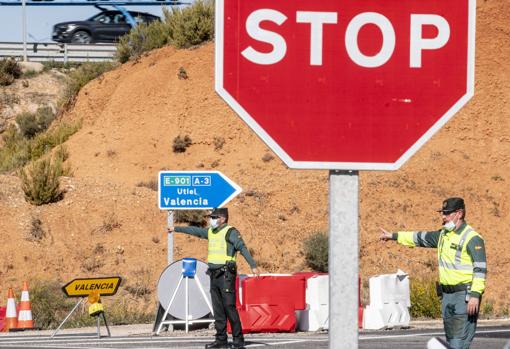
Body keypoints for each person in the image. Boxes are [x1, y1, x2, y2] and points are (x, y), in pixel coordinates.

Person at [380, 197, 486, 349]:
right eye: (443, 213)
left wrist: (475, 295)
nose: (443, 217)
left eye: (447, 213)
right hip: (447, 297)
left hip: (464, 297)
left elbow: (480, 269)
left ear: (459, 213)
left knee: (458, 343)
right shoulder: (444, 235)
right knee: (451, 342)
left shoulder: (472, 238)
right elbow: (419, 237)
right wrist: (394, 236)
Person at [168, 207, 260, 349]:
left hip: (226, 275)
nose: (212, 220)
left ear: (222, 219)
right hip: (214, 275)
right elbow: (195, 231)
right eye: (212, 217)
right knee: (218, 309)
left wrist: (253, 265)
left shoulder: (231, 232)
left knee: (229, 307)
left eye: (214, 217)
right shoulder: (211, 232)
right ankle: (221, 340)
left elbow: (242, 248)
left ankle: (238, 340)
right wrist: (176, 228)